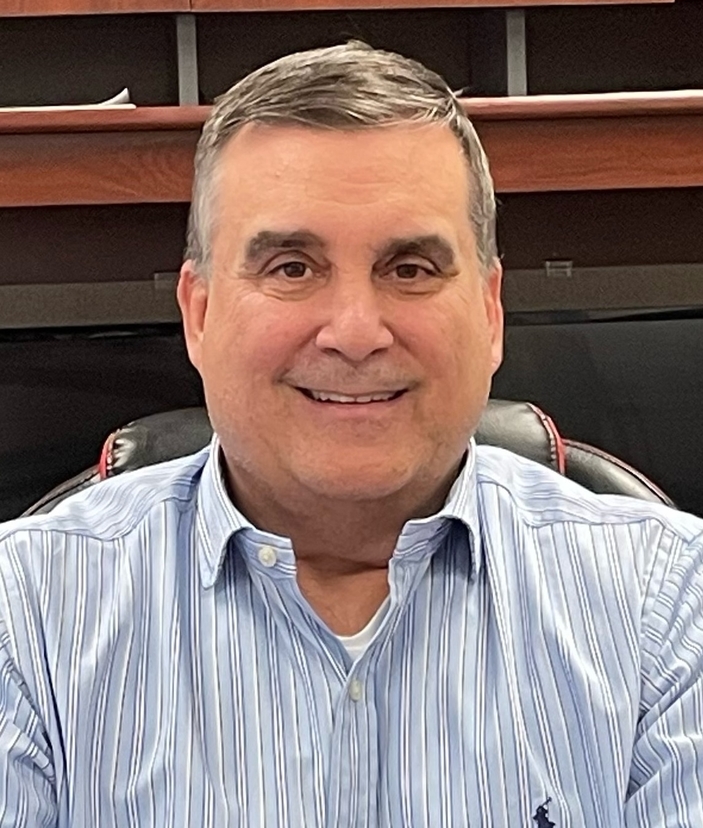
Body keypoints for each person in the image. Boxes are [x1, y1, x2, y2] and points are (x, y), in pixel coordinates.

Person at [0, 42, 702, 828]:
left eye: (409, 269)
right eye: (291, 268)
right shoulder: (26, 617)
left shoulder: (671, 607)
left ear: (488, 312)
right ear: (199, 313)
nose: (356, 332)